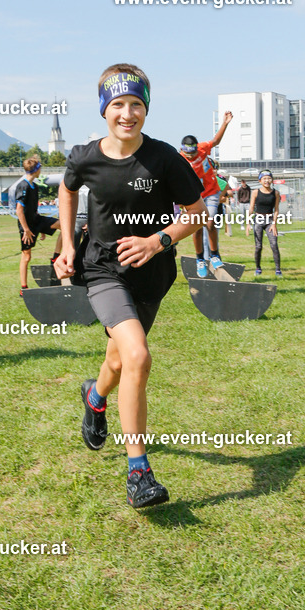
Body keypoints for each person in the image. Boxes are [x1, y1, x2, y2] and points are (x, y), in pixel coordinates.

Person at [54, 63, 208, 510]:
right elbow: (67, 192)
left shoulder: (164, 158)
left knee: (120, 358)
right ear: (104, 109)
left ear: (146, 108)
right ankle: (138, 472)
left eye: (136, 104)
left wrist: (158, 241)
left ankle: (94, 395)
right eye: (118, 104)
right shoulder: (85, 156)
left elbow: (197, 210)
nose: (127, 113)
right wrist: (68, 244)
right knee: (138, 354)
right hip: (102, 270)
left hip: (153, 275)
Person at [179, 111, 233, 277]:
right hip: (194, 195)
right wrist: (181, 202)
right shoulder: (179, 160)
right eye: (188, 154)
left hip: (210, 192)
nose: (191, 157)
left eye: (193, 153)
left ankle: (215, 255)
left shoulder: (202, 149)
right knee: (196, 227)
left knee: (210, 223)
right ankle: (199, 259)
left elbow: (216, 141)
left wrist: (225, 123)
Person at [15, 156, 62, 293]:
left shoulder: (34, 186)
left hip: (37, 220)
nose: (41, 170)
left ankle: (55, 258)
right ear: (36, 170)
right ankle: (23, 288)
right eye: (40, 167)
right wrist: (26, 230)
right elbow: (19, 210)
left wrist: (42, 229)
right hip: (27, 226)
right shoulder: (22, 186)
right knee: (27, 256)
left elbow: (33, 209)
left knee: (64, 226)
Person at [249, 169, 282, 277]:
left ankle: (278, 270)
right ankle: (258, 268)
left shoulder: (276, 193)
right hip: (258, 219)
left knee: (274, 245)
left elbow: (276, 209)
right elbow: (251, 208)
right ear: (260, 180)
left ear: (272, 180)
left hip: (270, 220)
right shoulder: (255, 192)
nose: (267, 181)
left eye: (269, 178)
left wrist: (274, 224)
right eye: (264, 179)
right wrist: (248, 223)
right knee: (258, 246)